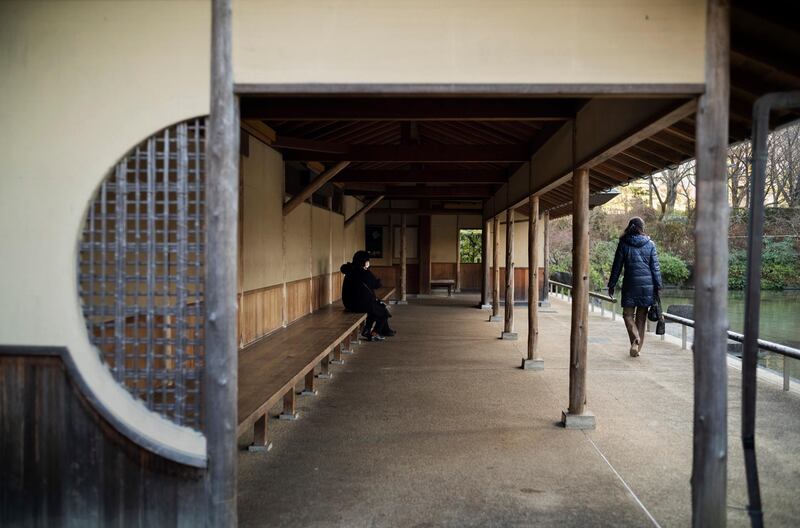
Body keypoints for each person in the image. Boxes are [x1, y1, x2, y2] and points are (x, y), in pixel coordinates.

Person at [607, 217, 663, 357]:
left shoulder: (623, 243)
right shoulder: (650, 244)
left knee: (627, 315)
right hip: (647, 286)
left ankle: (635, 340)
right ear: (642, 228)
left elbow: (617, 266)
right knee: (641, 318)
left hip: (630, 284)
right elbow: (655, 268)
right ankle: (637, 345)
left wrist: (612, 284)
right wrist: (658, 286)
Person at [340, 250, 395, 341]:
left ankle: (369, 330)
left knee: (377, 308)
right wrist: (370, 273)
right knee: (383, 312)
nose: (368, 262)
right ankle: (375, 333)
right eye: (367, 260)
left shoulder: (350, 271)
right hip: (359, 304)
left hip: (349, 303)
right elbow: (377, 285)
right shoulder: (363, 272)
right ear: (364, 262)